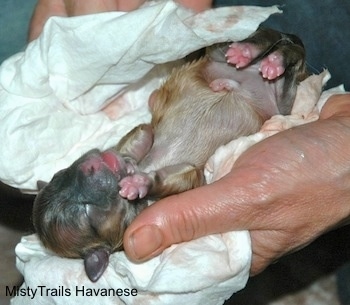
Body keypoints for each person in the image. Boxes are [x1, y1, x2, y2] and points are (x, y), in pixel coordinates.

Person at [5, 0, 350, 277]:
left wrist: (128, 157)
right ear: (101, 256)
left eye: (68, 176)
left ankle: (261, 48)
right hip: (263, 100)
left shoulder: (128, 164)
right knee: (293, 53)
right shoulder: (154, 204)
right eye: (86, 207)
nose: (88, 172)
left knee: (237, 44)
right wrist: (152, 182)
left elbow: (145, 132)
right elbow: (191, 174)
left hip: (214, 74)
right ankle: (278, 55)